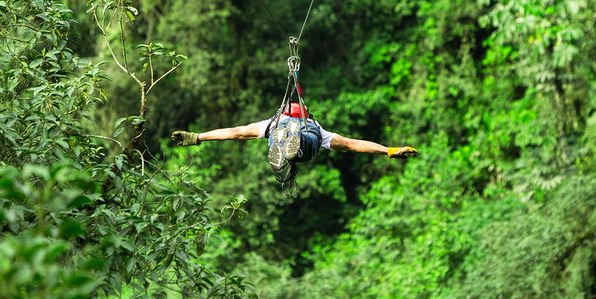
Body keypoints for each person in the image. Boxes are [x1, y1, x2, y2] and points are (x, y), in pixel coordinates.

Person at [172, 102, 417, 186]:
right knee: (309, 141)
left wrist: (198, 137)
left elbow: (235, 132)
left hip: (287, 135)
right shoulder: (318, 128)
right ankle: (290, 148)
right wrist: (389, 150)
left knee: (287, 139)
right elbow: (354, 144)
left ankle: (287, 148)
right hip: (302, 140)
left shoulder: (270, 122)